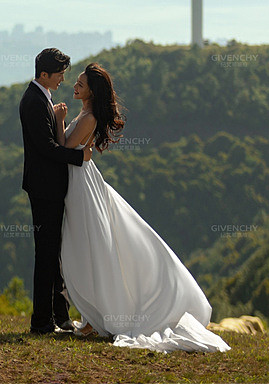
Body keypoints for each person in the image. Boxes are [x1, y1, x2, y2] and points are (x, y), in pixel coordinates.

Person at [55, 63, 230, 352]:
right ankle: (91, 318)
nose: (75, 86)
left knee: (90, 247)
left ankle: (95, 317)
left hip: (82, 185)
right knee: (82, 248)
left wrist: (59, 120)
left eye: (81, 84)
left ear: (91, 92)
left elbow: (66, 147)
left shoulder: (88, 116)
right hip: (78, 180)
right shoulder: (85, 112)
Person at [19, 48, 91, 334]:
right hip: (44, 188)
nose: (63, 78)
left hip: (50, 187)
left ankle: (59, 316)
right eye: (60, 73)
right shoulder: (34, 102)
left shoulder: (42, 98)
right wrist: (79, 157)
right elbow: (46, 148)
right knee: (46, 253)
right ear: (44, 74)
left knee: (52, 252)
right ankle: (42, 321)